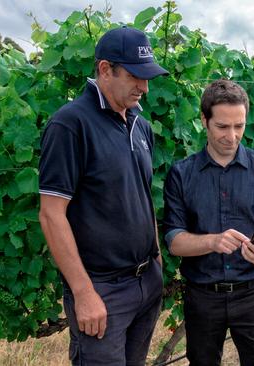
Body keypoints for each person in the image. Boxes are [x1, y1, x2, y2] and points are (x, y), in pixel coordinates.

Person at [38, 26, 169, 366]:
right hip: (102, 292)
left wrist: (156, 261)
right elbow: (51, 214)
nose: (144, 87)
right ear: (105, 70)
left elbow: (142, 195)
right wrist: (83, 294)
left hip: (145, 283)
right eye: (135, 76)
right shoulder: (70, 125)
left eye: (148, 77)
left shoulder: (142, 126)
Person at [163, 79, 254, 366]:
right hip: (202, 297)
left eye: (239, 126)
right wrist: (212, 241)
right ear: (204, 121)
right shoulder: (181, 175)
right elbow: (173, 240)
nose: (232, 136)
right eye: (222, 126)